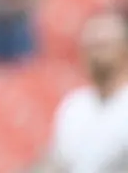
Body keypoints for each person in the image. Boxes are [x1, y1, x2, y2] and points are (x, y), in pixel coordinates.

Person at [45, 12, 128, 172]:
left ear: (124, 49)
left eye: (103, 45)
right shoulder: (73, 106)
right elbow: (58, 162)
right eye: (90, 46)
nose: (95, 54)